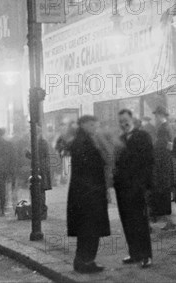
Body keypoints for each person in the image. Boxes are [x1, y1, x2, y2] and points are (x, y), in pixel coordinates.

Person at [66, 116, 110, 273]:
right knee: (89, 229)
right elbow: (92, 166)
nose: (95, 128)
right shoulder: (83, 142)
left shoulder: (86, 140)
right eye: (92, 125)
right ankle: (85, 261)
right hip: (88, 193)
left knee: (88, 230)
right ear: (83, 125)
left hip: (87, 192)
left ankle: (85, 260)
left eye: (95, 124)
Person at [113, 109, 154, 268]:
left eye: (125, 119)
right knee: (127, 221)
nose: (123, 123)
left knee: (140, 222)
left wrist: (144, 185)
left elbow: (149, 162)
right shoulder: (120, 139)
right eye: (120, 121)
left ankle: (146, 256)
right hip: (122, 188)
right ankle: (134, 253)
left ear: (132, 119)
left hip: (137, 187)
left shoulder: (143, 136)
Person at [149, 106, 175, 230]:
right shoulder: (164, 127)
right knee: (162, 188)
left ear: (161, 115)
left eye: (157, 115)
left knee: (163, 188)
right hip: (161, 161)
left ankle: (167, 220)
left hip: (163, 162)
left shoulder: (165, 128)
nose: (156, 117)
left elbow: (168, 145)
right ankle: (164, 218)